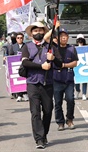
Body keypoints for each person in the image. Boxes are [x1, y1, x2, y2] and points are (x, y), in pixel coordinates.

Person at [20, 21, 63, 149]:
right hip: (33, 83)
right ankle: (39, 139)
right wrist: (41, 66)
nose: (38, 32)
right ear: (31, 33)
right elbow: (25, 63)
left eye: (40, 30)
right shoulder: (26, 47)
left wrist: (53, 58)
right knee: (35, 112)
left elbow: (60, 64)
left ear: (44, 32)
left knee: (48, 110)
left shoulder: (51, 46)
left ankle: (44, 134)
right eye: (35, 31)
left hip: (47, 83)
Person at [53, 28, 78, 131]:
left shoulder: (71, 49)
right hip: (56, 79)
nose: (63, 38)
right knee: (58, 102)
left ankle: (70, 119)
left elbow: (75, 63)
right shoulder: (54, 48)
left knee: (70, 99)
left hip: (68, 79)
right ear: (57, 38)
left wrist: (64, 65)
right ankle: (60, 122)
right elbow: (46, 39)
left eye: (65, 36)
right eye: (61, 36)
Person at [7, 32, 27, 102]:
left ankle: (25, 93)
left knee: (24, 79)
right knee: (17, 79)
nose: (19, 39)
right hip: (16, 66)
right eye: (18, 38)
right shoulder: (13, 46)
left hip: (24, 65)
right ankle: (19, 95)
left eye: (21, 38)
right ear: (16, 39)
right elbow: (10, 55)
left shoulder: (26, 46)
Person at [74, 34, 88, 100]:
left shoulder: (87, 48)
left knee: (85, 80)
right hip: (77, 66)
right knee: (76, 80)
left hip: (84, 65)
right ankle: (77, 91)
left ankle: (84, 94)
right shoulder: (74, 48)